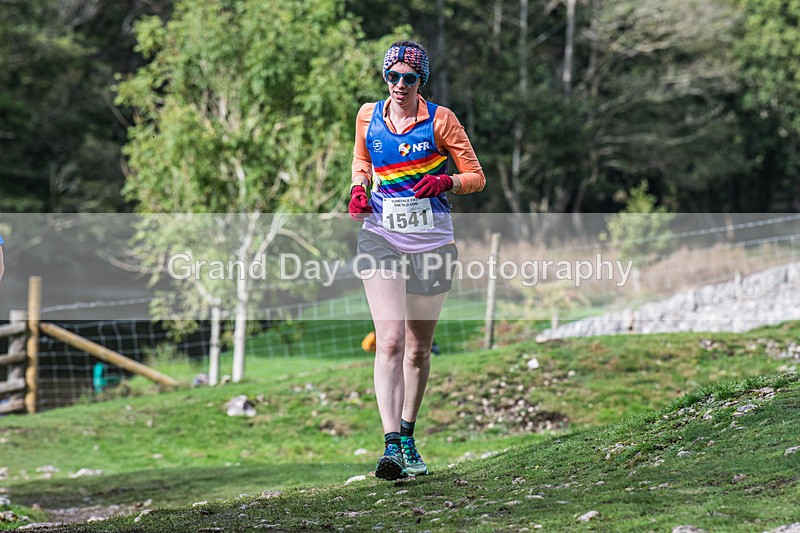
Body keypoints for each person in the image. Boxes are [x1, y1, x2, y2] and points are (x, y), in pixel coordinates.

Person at [349, 40, 485, 480]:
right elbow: (362, 159)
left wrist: (445, 181)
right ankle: (390, 448)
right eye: (393, 76)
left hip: (431, 244)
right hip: (381, 237)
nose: (400, 85)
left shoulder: (441, 120)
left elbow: (476, 177)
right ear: (385, 77)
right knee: (388, 341)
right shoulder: (369, 116)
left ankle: (408, 436)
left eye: (409, 78)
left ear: (420, 81)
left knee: (417, 349)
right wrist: (358, 187)